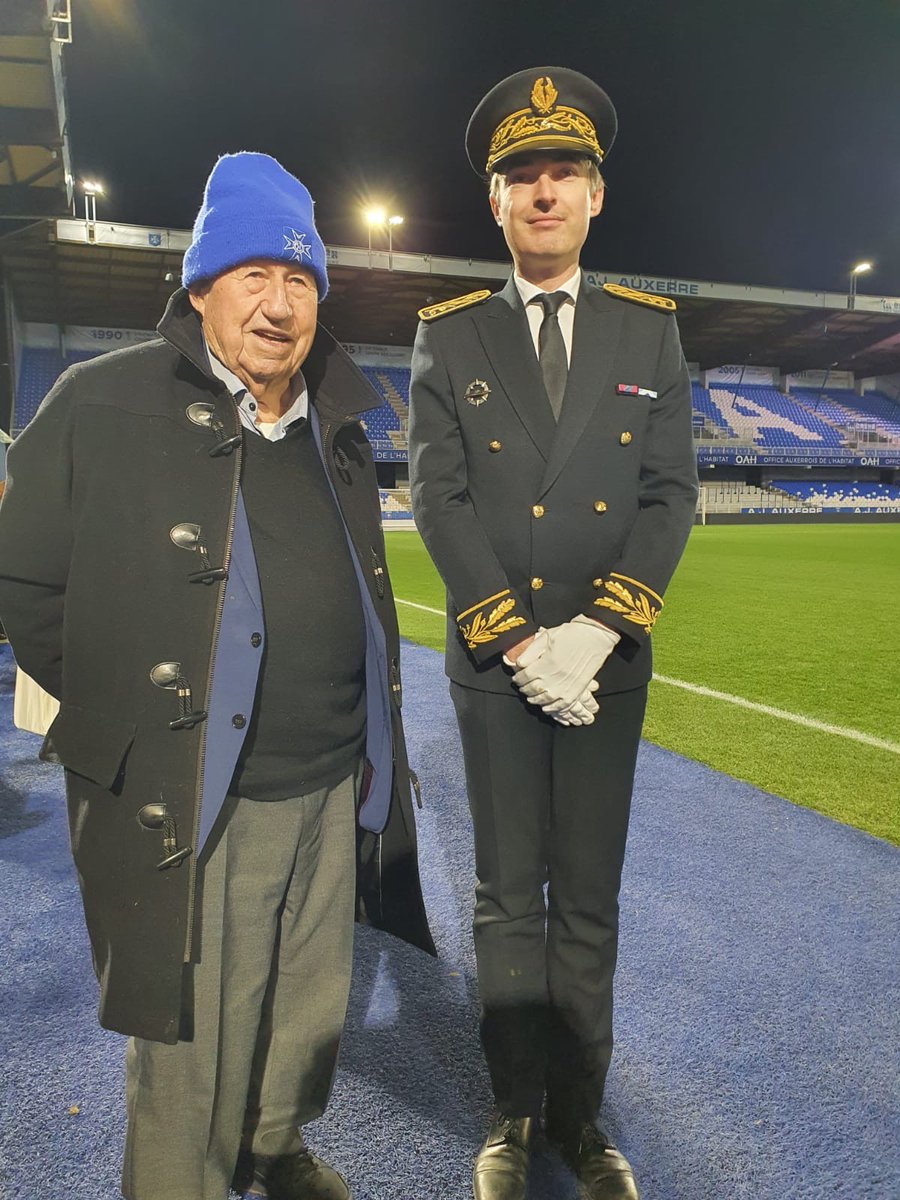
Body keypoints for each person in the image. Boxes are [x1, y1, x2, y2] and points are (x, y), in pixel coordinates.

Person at [0, 152, 434, 1200]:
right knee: (193, 1027)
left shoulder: (335, 420)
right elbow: (23, 575)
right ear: (200, 289)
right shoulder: (102, 400)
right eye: (253, 276)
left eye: (300, 282)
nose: (281, 306)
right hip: (202, 787)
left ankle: (273, 1146)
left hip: (335, 779)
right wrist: (123, 715)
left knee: (306, 1005)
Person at [408, 68, 698, 1200]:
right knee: (504, 896)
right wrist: (525, 643)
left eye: (563, 173)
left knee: (586, 900)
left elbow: (669, 495)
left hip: (606, 671)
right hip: (499, 670)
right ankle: (510, 1113)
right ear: (494, 203)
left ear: (594, 197)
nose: (542, 192)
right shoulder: (452, 333)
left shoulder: (650, 332)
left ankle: (582, 1123)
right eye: (520, 176)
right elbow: (439, 498)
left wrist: (598, 630)